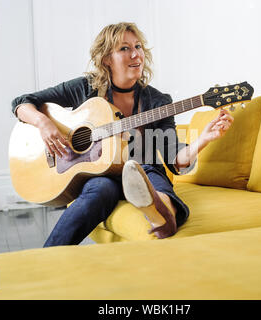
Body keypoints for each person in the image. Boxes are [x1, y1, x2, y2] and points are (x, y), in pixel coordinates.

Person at [12, 22, 234, 246]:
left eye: (138, 47)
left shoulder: (157, 101)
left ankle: (161, 212)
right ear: (107, 58)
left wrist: (204, 139)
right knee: (97, 192)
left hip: (143, 167)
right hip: (100, 175)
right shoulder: (84, 88)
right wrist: (43, 123)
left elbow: (175, 158)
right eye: (124, 48)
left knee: (149, 173)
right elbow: (22, 103)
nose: (136, 54)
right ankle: (48, 257)